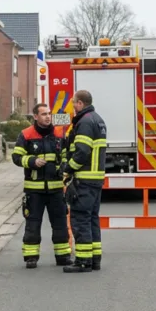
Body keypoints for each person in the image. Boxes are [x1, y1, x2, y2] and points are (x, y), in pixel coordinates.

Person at [11, 103, 71, 269]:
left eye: (49, 114)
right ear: (35, 117)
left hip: (56, 189)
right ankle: (31, 257)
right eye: (44, 114)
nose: (47, 117)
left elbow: (66, 155)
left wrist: (64, 166)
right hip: (34, 190)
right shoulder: (26, 134)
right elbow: (16, 157)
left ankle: (63, 256)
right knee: (33, 224)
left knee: (60, 224)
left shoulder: (59, 134)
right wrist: (32, 161)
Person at [60, 90, 107, 274]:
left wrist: (68, 169)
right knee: (92, 219)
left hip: (85, 179)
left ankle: (83, 261)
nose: (73, 106)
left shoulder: (85, 122)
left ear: (80, 103)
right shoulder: (98, 120)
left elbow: (82, 152)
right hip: (95, 179)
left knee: (80, 219)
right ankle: (95, 259)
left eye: (74, 103)